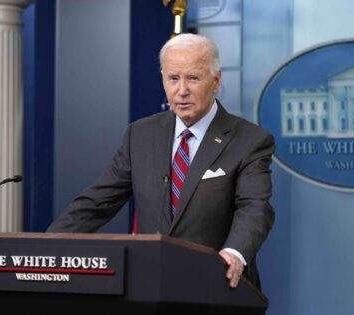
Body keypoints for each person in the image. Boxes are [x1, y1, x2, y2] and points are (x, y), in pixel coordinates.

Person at [47, 33, 275, 290]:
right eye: (173, 78)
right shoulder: (141, 134)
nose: (182, 90)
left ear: (216, 81)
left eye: (193, 78)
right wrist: (46, 245)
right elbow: (98, 201)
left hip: (217, 286)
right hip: (151, 287)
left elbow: (254, 208)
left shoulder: (250, 140)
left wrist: (234, 253)